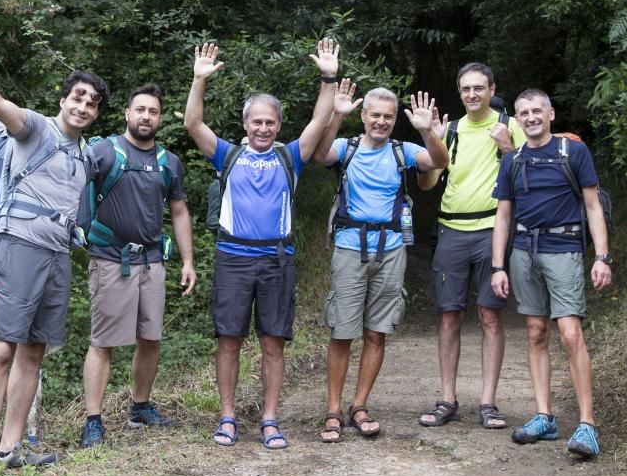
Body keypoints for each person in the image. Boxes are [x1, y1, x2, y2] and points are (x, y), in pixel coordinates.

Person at [0, 45, 109, 466]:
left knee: (34, 351)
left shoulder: (85, 153)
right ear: (63, 100)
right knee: (3, 349)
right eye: (78, 97)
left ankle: (8, 449)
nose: (84, 106)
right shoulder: (36, 128)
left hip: (57, 255)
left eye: (92, 102)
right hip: (18, 245)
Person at [183, 38, 339, 449]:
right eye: (257, 122)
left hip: (277, 260)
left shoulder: (291, 157)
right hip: (232, 258)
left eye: (270, 122)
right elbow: (193, 125)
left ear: (278, 125)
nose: (264, 128)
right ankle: (228, 417)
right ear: (246, 124)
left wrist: (328, 76)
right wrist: (199, 81)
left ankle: (270, 419)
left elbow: (321, 121)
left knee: (273, 342)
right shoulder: (227, 155)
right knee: (229, 339)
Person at [313, 83, 448, 441]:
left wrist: (427, 131)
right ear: (364, 116)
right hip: (348, 246)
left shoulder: (403, 151)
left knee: (377, 332)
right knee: (342, 331)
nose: (382, 122)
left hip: (391, 249)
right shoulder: (348, 147)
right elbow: (319, 154)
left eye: (388, 116)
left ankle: (359, 405)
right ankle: (332, 410)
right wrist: (335, 116)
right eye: (375, 115)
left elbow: (438, 162)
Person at [491, 89, 611, 457]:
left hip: (564, 250)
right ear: (518, 119)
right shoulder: (512, 161)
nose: (530, 117)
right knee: (535, 330)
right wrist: (498, 266)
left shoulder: (573, 152)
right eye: (524, 112)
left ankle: (587, 425)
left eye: (537, 111)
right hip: (524, 253)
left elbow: (592, 206)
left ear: (551, 114)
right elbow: (503, 216)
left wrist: (602, 257)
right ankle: (545, 416)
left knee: (570, 333)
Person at [80, 84, 196, 447]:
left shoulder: (168, 162)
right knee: (103, 343)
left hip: (152, 262)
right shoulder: (103, 152)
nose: (146, 116)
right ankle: (93, 420)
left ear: (160, 118)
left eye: (154, 111)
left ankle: (140, 406)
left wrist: (188, 260)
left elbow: (178, 211)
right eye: (140, 109)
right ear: (127, 113)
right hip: (111, 260)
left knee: (151, 338)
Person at [418, 63, 525, 429]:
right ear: (459, 91)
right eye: (466, 89)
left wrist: (508, 148)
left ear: (492, 89)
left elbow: (529, 178)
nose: (472, 95)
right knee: (449, 316)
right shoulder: (450, 130)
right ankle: (447, 399)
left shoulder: (511, 126)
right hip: (451, 230)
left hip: (493, 229)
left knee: (490, 316)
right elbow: (428, 184)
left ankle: (488, 403)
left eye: (479, 88)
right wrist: (431, 141)